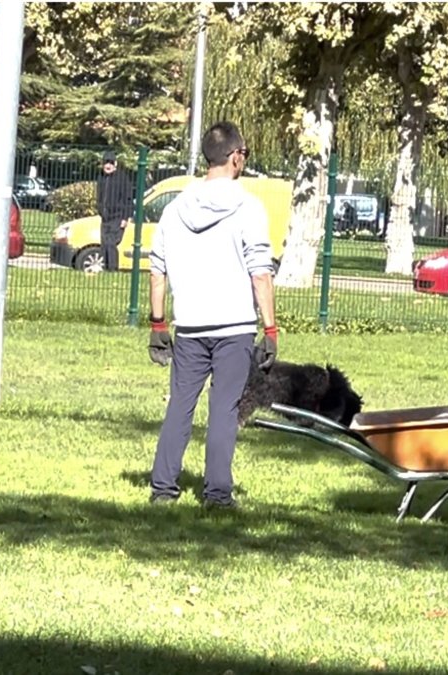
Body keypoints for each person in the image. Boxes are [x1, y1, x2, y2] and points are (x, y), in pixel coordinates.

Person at [145, 121, 277, 509]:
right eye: (245, 154)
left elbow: (157, 271)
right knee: (224, 409)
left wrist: (157, 325)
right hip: (234, 328)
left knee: (180, 406)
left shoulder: (174, 209)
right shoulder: (249, 208)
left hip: (188, 327)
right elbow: (260, 273)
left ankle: (163, 489)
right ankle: (217, 495)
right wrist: (270, 329)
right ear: (236, 157)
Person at [95, 150, 134, 271]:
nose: (108, 166)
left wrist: (125, 218)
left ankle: (113, 269)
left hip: (117, 217)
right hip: (105, 217)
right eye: (106, 163)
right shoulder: (101, 177)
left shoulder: (122, 178)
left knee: (111, 244)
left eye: (110, 163)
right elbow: (100, 196)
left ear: (115, 164)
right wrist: (100, 210)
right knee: (104, 244)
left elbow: (128, 199)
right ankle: (106, 268)